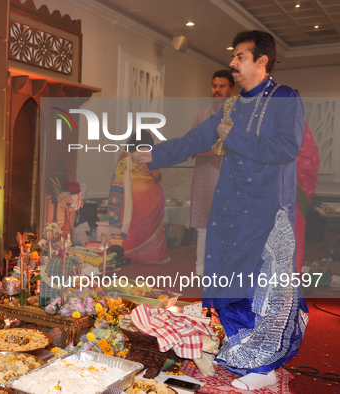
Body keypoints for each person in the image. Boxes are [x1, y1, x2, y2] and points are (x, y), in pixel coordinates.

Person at [134, 30, 307, 390]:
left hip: (267, 211)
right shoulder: (231, 106)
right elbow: (197, 139)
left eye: (240, 56)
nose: (232, 63)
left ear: (262, 60)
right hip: (229, 209)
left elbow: (285, 149)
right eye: (233, 56)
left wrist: (233, 136)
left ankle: (266, 365)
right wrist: (155, 154)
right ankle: (245, 354)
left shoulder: (286, 99)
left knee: (264, 290)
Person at [190, 70, 235, 276]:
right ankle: (200, 269)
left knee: (226, 225)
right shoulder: (201, 114)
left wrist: (201, 149)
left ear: (231, 89)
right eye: (214, 86)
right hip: (203, 175)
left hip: (227, 176)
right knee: (203, 224)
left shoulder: (236, 115)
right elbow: (191, 143)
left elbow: (223, 146)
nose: (217, 90)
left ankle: (224, 271)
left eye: (222, 86)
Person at [108, 130, 169, 264]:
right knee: (150, 226)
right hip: (149, 195)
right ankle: (152, 256)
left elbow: (118, 176)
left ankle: (130, 252)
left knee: (132, 226)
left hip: (129, 195)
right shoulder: (148, 155)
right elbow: (156, 175)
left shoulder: (125, 156)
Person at [293, 91, 320, 274]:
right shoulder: (269, 126)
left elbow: (310, 159)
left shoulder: (301, 127)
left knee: (294, 241)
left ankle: (289, 289)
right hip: (268, 193)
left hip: (295, 192)